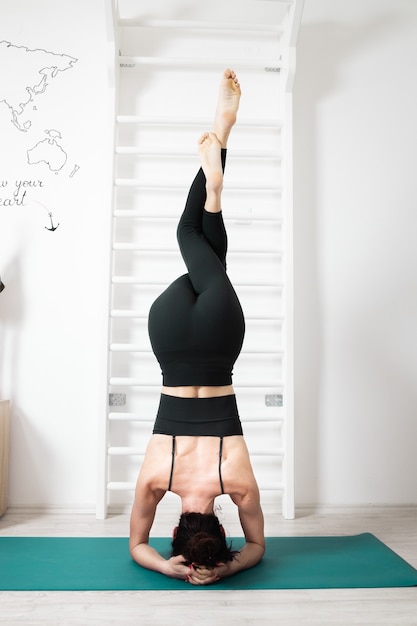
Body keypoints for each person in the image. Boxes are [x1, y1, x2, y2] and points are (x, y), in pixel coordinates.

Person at [129, 69, 265, 586]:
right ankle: (219, 141)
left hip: (218, 334)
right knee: (196, 243)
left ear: (215, 525)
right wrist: (165, 564)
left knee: (202, 242)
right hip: (168, 333)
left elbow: (257, 547)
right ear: (179, 529)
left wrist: (228, 564)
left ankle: (215, 183)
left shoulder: (238, 482)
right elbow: (136, 545)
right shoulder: (154, 483)